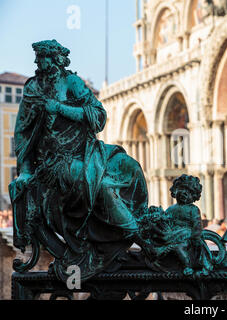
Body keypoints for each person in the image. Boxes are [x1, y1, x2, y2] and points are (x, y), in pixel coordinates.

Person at [9, 40, 155, 282]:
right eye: (37, 58)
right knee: (103, 188)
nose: (37, 63)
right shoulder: (33, 89)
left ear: (55, 59)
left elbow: (98, 115)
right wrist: (25, 171)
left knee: (129, 167)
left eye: (42, 58)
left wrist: (61, 109)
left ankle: (135, 224)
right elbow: (22, 133)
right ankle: (136, 235)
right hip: (56, 162)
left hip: (88, 150)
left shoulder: (73, 83)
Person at [163, 174, 213, 276]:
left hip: (188, 237)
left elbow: (197, 225)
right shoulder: (170, 209)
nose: (185, 193)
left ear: (194, 196)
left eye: (189, 192)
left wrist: (195, 237)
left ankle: (188, 266)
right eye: (182, 188)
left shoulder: (193, 209)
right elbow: (165, 223)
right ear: (175, 190)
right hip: (173, 236)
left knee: (180, 248)